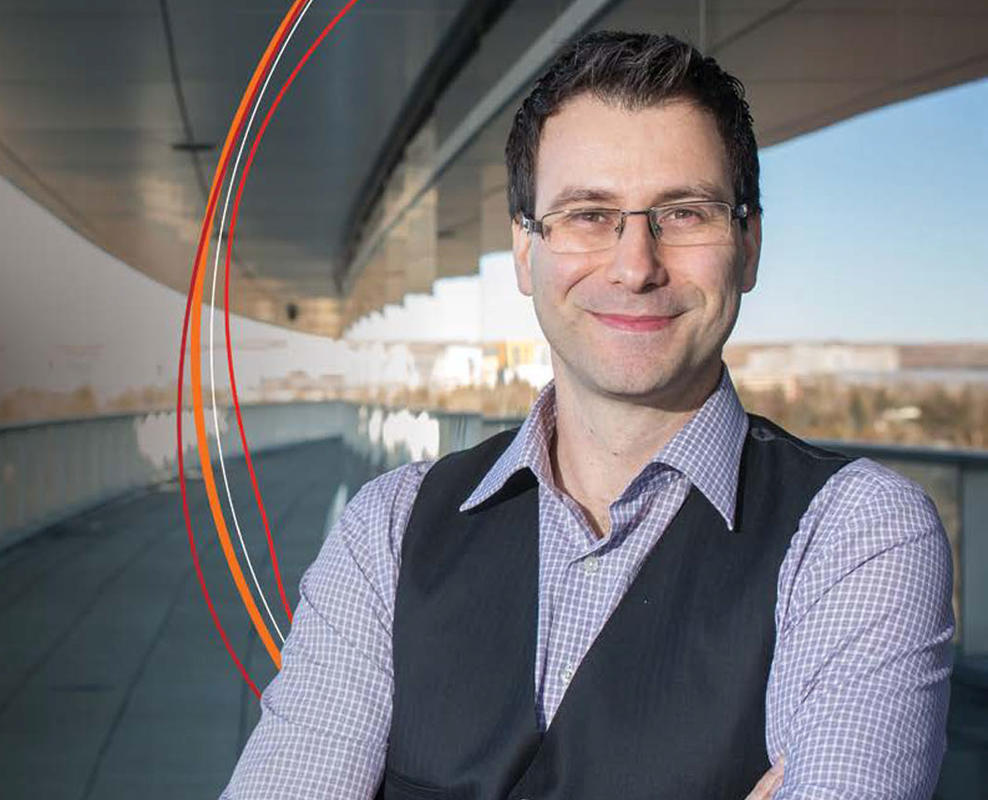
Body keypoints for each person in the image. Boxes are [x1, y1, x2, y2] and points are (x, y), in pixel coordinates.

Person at [220, 30, 955, 799]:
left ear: (749, 245)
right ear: (524, 252)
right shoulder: (391, 529)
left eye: (684, 212)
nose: (636, 266)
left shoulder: (855, 536)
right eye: (587, 215)